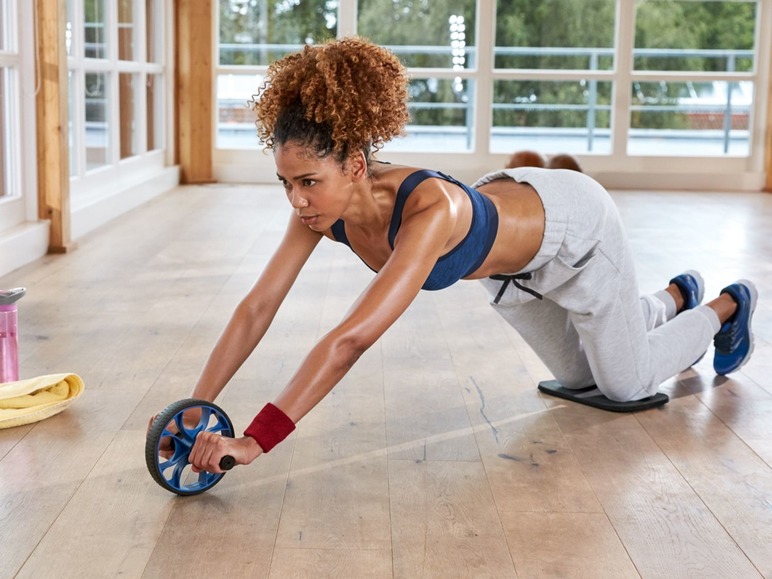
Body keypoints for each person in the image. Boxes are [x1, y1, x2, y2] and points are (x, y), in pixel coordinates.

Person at [164, 37, 757, 474]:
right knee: (579, 379)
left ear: (354, 165)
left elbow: (348, 340)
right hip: (512, 274)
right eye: (285, 183)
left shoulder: (429, 210)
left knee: (622, 385)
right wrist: (194, 409)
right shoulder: (320, 209)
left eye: (308, 181)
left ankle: (724, 306)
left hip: (576, 234)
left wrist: (256, 439)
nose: (296, 199)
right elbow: (256, 307)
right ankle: (670, 296)